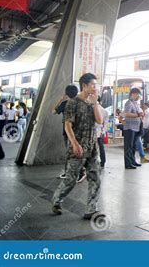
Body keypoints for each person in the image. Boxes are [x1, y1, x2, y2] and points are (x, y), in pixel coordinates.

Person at [51, 73, 105, 220]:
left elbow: (99, 120)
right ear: (84, 86)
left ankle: (91, 209)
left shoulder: (94, 102)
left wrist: (95, 103)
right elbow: (67, 125)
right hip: (78, 147)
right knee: (71, 179)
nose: (95, 87)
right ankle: (56, 200)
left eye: (96, 85)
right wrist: (74, 144)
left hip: (92, 147)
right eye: (93, 85)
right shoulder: (73, 102)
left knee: (95, 178)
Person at [53, 85, 83, 180]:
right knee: (78, 152)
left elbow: (53, 111)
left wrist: (61, 99)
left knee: (69, 153)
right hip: (79, 131)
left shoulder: (65, 103)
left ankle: (71, 173)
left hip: (67, 132)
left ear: (66, 93)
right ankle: (79, 173)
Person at [123, 88, 143, 169]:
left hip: (136, 128)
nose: (138, 96)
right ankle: (128, 163)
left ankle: (132, 161)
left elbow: (138, 113)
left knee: (133, 146)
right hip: (129, 127)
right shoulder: (129, 103)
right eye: (138, 94)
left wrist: (141, 114)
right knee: (129, 146)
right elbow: (126, 114)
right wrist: (137, 115)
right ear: (133, 94)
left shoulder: (135, 103)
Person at [95, 96, 109, 168]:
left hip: (91, 132)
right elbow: (106, 124)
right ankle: (103, 162)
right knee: (101, 147)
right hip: (99, 132)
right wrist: (103, 132)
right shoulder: (105, 111)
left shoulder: (91, 108)